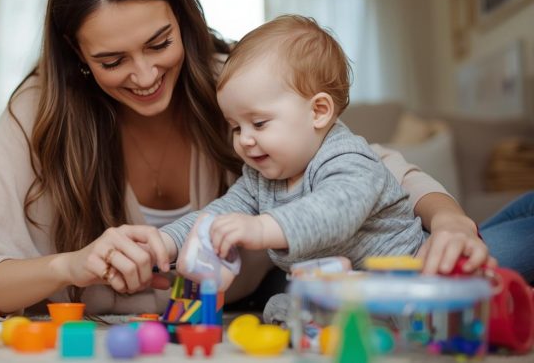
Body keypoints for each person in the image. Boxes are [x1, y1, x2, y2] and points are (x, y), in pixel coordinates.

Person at [0, 0, 492, 319]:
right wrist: (70, 265)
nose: (145, 75)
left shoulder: (230, 85)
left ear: (184, 19)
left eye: (159, 43)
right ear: (78, 57)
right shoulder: (40, 111)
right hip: (270, 297)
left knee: (498, 255)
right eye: (112, 61)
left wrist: (452, 222)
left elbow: (371, 169)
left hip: (364, 266)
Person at [160, 15, 425, 279]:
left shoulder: (347, 157)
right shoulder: (260, 178)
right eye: (237, 127)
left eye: (259, 123)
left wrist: (262, 228)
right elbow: (218, 216)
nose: (244, 140)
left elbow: (334, 213)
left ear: (318, 111)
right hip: (348, 290)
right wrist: (166, 241)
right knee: (284, 307)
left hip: (408, 279)